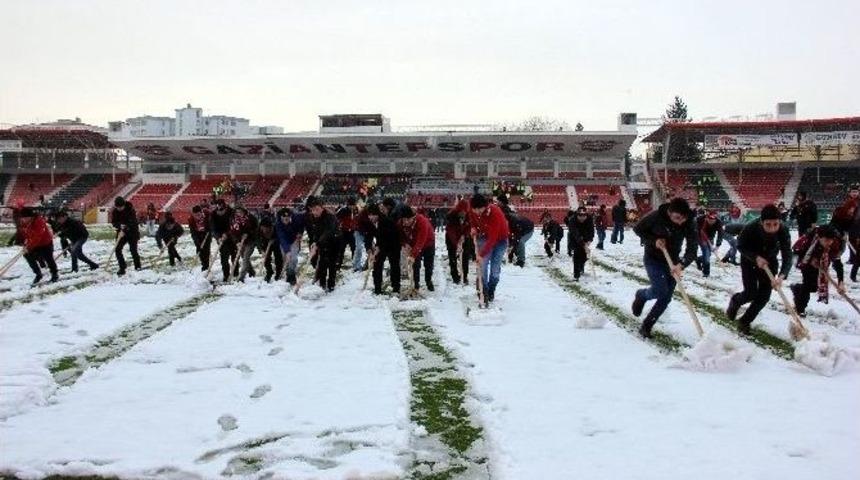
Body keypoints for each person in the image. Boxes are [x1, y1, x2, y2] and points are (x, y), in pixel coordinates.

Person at [631, 198, 697, 338]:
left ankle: (647, 325)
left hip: (673, 261)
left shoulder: (689, 222)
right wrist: (654, 241)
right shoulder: (656, 217)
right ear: (669, 212)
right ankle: (641, 295)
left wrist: (682, 264)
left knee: (666, 298)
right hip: (653, 258)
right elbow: (638, 229)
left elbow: (692, 248)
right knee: (660, 290)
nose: (680, 222)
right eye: (677, 218)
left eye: (683, 218)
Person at [726, 204, 792, 334]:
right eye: (768, 224)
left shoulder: (783, 230)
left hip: (770, 260)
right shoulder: (750, 227)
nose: (772, 228)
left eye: (775, 224)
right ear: (762, 222)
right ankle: (735, 301)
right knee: (750, 293)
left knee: (763, 296)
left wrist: (782, 276)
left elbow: (787, 254)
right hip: (749, 259)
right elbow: (741, 246)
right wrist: (756, 258)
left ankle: (745, 321)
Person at [790, 225, 846, 317]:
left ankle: (797, 288)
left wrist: (841, 282)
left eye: (831, 240)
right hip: (806, 263)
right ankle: (800, 309)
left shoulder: (835, 245)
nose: (829, 243)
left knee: (814, 288)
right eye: (826, 240)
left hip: (822, 265)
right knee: (807, 286)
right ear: (819, 237)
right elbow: (796, 252)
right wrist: (810, 260)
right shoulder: (809, 241)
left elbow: (838, 264)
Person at [470, 194, 510, 305]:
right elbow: (472, 218)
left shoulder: (495, 213)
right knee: (483, 267)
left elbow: (492, 239)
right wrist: (473, 227)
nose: (476, 212)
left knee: (495, 271)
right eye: (474, 210)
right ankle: (484, 291)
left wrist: (481, 254)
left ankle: (491, 289)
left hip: (500, 240)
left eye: (478, 210)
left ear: (483, 207)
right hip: (484, 236)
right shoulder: (474, 209)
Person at [304, 196, 340, 292]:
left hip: (335, 241)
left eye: (317, 209)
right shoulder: (314, 217)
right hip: (323, 242)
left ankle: (331, 285)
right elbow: (316, 231)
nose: (315, 212)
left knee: (332, 264)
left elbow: (328, 232)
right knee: (322, 263)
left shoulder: (330, 217)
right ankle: (322, 284)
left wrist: (318, 243)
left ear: (322, 208)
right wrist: (314, 242)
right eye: (312, 210)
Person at [366, 203, 401, 295]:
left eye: (372, 215)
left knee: (394, 265)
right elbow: (369, 235)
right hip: (382, 244)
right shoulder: (371, 222)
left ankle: (396, 288)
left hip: (394, 244)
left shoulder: (385, 221)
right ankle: (377, 288)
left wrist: (378, 247)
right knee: (377, 264)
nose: (370, 218)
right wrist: (369, 248)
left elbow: (386, 237)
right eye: (369, 215)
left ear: (377, 214)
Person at [399, 206, 435, 292]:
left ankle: (428, 280)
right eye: (404, 220)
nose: (406, 222)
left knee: (428, 264)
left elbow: (421, 240)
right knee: (415, 265)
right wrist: (405, 243)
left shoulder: (422, 222)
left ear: (413, 217)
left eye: (408, 220)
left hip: (428, 243)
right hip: (413, 243)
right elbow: (399, 235)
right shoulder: (400, 223)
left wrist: (413, 254)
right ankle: (416, 284)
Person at [19, 208, 59, 285]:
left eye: (25, 218)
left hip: (45, 242)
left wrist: (29, 246)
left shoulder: (39, 221)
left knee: (49, 258)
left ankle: (55, 274)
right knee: (27, 255)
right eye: (22, 218)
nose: (23, 219)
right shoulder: (24, 222)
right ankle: (38, 274)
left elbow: (38, 236)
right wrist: (25, 244)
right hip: (35, 243)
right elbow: (25, 234)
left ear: (31, 216)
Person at [445, 199, 474, 284]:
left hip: (464, 236)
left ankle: (464, 276)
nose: (463, 213)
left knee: (465, 256)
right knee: (452, 257)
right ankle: (455, 276)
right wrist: (456, 244)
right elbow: (451, 231)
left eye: (465, 212)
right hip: (452, 238)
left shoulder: (469, 215)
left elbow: (469, 227)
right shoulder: (451, 216)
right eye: (461, 212)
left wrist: (464, 236)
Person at [111, 196, 141, 276]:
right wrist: (119, 226)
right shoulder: (115, 211)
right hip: (121, 233)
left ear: (124, 205)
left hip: (132, 233)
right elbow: (114, 222)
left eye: (121, 207)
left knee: (133, 250)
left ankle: (138, 266)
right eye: (117, 207)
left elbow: (133, 222)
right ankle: (122, 267)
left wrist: (126, 227)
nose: (119, 209)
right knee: (117, 249)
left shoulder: (130, 209)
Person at [275, 207, 305, 285]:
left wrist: (300, 233)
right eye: (284, 218)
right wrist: (287, 251)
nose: (286, 219)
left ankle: (292, 275)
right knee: (286, 259)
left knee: (294, 259)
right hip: (284, 243)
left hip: (295, 240)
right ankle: (289, 276)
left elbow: (302, 225)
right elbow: (282, 238)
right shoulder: (278, 224)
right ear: (281, 217)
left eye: (288, 217)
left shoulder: (296, 219)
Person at [229, 206, 258, 282]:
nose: (239, 214)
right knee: (244, 258)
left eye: (240, 212)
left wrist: (248, 233)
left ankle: (241, 277)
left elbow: (256, 229)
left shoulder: (250, 218)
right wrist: (237, 241)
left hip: (250, 241)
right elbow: (232, 232)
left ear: (244, 211)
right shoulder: (233, 220)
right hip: (240, 242)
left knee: (245, 257)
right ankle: (252, 272)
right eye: (237, 212)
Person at [209, 199, 236, 281]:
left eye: (222, 209)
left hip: (232, 237)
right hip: (221, 239)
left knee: (234, 256)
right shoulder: (213, 214)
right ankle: (226, 275)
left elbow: (234, 225)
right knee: (224, 258)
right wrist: (218, 237)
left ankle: (236, 273)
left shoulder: (231, 212)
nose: (221, 211)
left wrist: (227, 234)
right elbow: (213, 228)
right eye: (218, 207)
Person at [567, 206, 595, 281]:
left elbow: (591, 231)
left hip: (585, 236)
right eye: (580, 216)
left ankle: (581, 266)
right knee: (577, 255)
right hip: (574, 238)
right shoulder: (572, 220)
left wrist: (589, 241)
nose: (582, 218)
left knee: (583, 256)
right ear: (577, 215)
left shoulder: (589, 219)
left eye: (584, 216)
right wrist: (584, 245)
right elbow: (576, 234)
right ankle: (576, 275)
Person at [694, 210, 724, 278]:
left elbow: (720, 233)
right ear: (706, 218)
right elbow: (694, 228)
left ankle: (698, 260)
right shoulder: (700, 219)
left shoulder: (718, 222)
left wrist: (718, 245)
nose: (712, 221)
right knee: (706, 254)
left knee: (709, 254)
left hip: (710, 237)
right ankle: (706, 273)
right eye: (710, 219)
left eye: (713, 219)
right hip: (700, 237)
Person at [257, 217, 283, 282]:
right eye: (263, 227)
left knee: (278, 258)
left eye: (266, 228)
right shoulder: (259, 230)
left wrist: (274, 240)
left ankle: (278, 273)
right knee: (266, 259)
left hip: (275, 243)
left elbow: (281, 236)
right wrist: (261, 250)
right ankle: (269, 272)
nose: (264, 229)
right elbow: (258, 241)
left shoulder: (275, 228)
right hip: (265, 244)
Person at [188, 205, 211, 270]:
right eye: (195, 215)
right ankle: (203, 263)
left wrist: (210, 229)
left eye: (198, 214)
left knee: (206, 250)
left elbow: (212, 222)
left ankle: (206, 266)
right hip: (197, 234)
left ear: (201, 212)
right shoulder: (191, 219)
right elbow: (192, 232)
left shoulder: (207, 214)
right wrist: (197, 242)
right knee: (199, 250)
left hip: (207, 233)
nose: (197, 216)